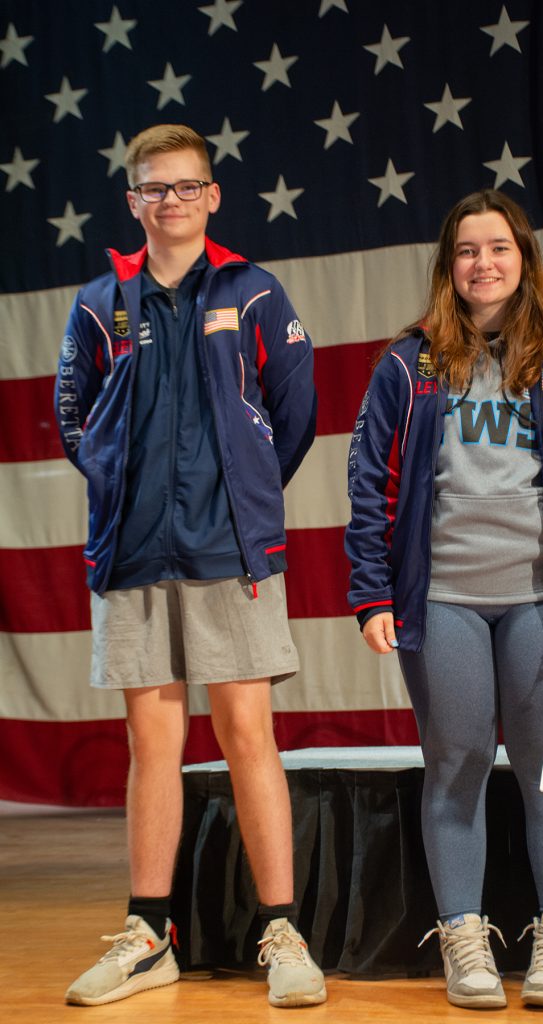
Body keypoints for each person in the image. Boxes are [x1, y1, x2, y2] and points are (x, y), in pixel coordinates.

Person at [345, 189, 543, 1009]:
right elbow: (369, 485)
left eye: (498, 248)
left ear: (523, 259)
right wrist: (371, 590)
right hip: (438, 601)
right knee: (458, 763)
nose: (483, 263)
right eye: (467, 250)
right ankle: (465, 938)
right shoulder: (407, 365)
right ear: (449, 265)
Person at [55, 124, 326, 1008]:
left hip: (229, 551)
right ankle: (147, 935)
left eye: (185, 187)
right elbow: (73, 418)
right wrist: (125, 489)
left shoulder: (252, 291)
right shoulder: (101, 300)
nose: (169, 201)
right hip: (133, 553)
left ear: (212, 196)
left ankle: (281, 930)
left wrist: (236, 491)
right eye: (153, 189)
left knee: (249, 736)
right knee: (152, 745)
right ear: (133, 202)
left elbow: (293, 415)